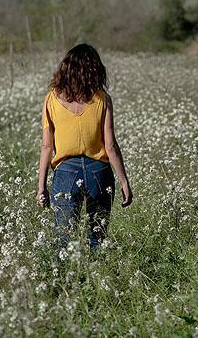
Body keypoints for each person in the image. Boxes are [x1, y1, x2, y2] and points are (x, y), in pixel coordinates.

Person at [36, 43, 132, 252]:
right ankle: (97, 279)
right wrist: (124, 181)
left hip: (65, 173)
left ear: (65, 69)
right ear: (95, 70)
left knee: (64, 240)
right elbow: (110, 145)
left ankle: (64, 282)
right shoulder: (102, 99)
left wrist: (41, 184)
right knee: (98, 237)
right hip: (99, 171)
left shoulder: (51, 99)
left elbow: (46, 146)